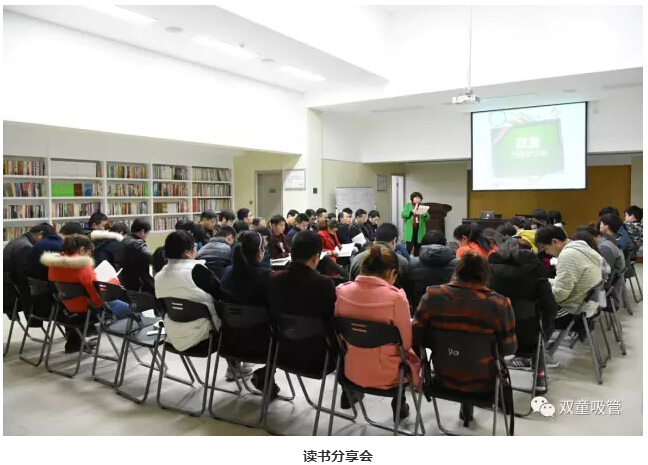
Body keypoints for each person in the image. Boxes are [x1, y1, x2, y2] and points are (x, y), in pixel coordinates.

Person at [414, 252, 517, 424]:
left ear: (457, 270)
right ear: (486, 274)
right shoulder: (499, 303)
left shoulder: (432, 295)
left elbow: (416, 336)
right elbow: (509, 348)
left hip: (443, 377)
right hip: (484, 382)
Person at [335, 245, 420, 420]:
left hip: (352, 370)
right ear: (391, 273)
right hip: (390, 375)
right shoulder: (397, 298)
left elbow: (340, 334)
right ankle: (399, 402)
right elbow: (406, 343)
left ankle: (350, 394)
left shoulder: (341, 291)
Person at [42, 234, 130, 352]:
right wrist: (112, 283)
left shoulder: (53, 264)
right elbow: (96, 297)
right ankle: (139, 334)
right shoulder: (83, 266)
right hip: (87, 309)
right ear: (82, 250)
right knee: (128, 308)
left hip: (64, 307)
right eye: (89, 252)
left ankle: (75, 343)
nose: (90, 255)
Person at [268, 230, 337, 375]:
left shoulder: (274, 279)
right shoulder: (324, 283)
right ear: (316, 258)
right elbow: (331, 319)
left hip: (283, 352)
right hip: (319, 357)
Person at [489, 238, 557, 380]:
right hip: (528, 335)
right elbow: (550, 309)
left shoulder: (488, 272)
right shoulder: (537, 272)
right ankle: (535, 370)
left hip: (493, 333)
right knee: (544, 321)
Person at [220, 231, 274, 391]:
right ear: (259, 253)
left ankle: (233, 366)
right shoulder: (267, 276)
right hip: (263, 344)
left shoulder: (227, 272)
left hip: (230, 342)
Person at [535, 226, 603, 331]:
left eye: (545, 248)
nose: (547, 253)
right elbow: (565, 283)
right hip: (588, 306)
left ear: (555, 242)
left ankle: (540, 341)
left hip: (574, 312)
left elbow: (559, 295)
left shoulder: (568, 255)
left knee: (532, 315)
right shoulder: (581, 247)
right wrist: (544, 282)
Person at [3, 223, 54, 327]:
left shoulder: (16, 242)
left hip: (8, 295)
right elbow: (26, 278)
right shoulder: (25, 247)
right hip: (18, 298)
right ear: (40, 234)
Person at [407, 230, 457, 311]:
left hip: (421, 310)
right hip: (451, 310)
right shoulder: (458, 263)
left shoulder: (412, 264)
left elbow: (408, 291)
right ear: (445, 244)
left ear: (422, 245)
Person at [117, 218, 154, 294]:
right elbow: (153, 258)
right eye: (147, 233)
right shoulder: (137, 244)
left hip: (125, 282)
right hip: (137, 286)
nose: (147, 236)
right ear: (142, 232)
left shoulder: (124, 239)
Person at [598, 214, 626, 306]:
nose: (599, 225)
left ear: (606, 226)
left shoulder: (606, 246)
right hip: (614, 284)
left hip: (607, 289)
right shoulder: (616, 239)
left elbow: (603, 273)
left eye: (601, 223)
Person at [401, 191, 431, 256]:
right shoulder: (408, 206)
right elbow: (403, 215)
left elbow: (428, 218)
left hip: (419, 230)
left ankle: (416, 260)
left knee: (418, 248)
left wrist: (425, 215)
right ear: (412, 198)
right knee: (409, 247)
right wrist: (411, 212)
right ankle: (406, 260)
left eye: (419, 198)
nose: (417, 199)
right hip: (410, 230)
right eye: (416, 197)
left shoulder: (423, 206)